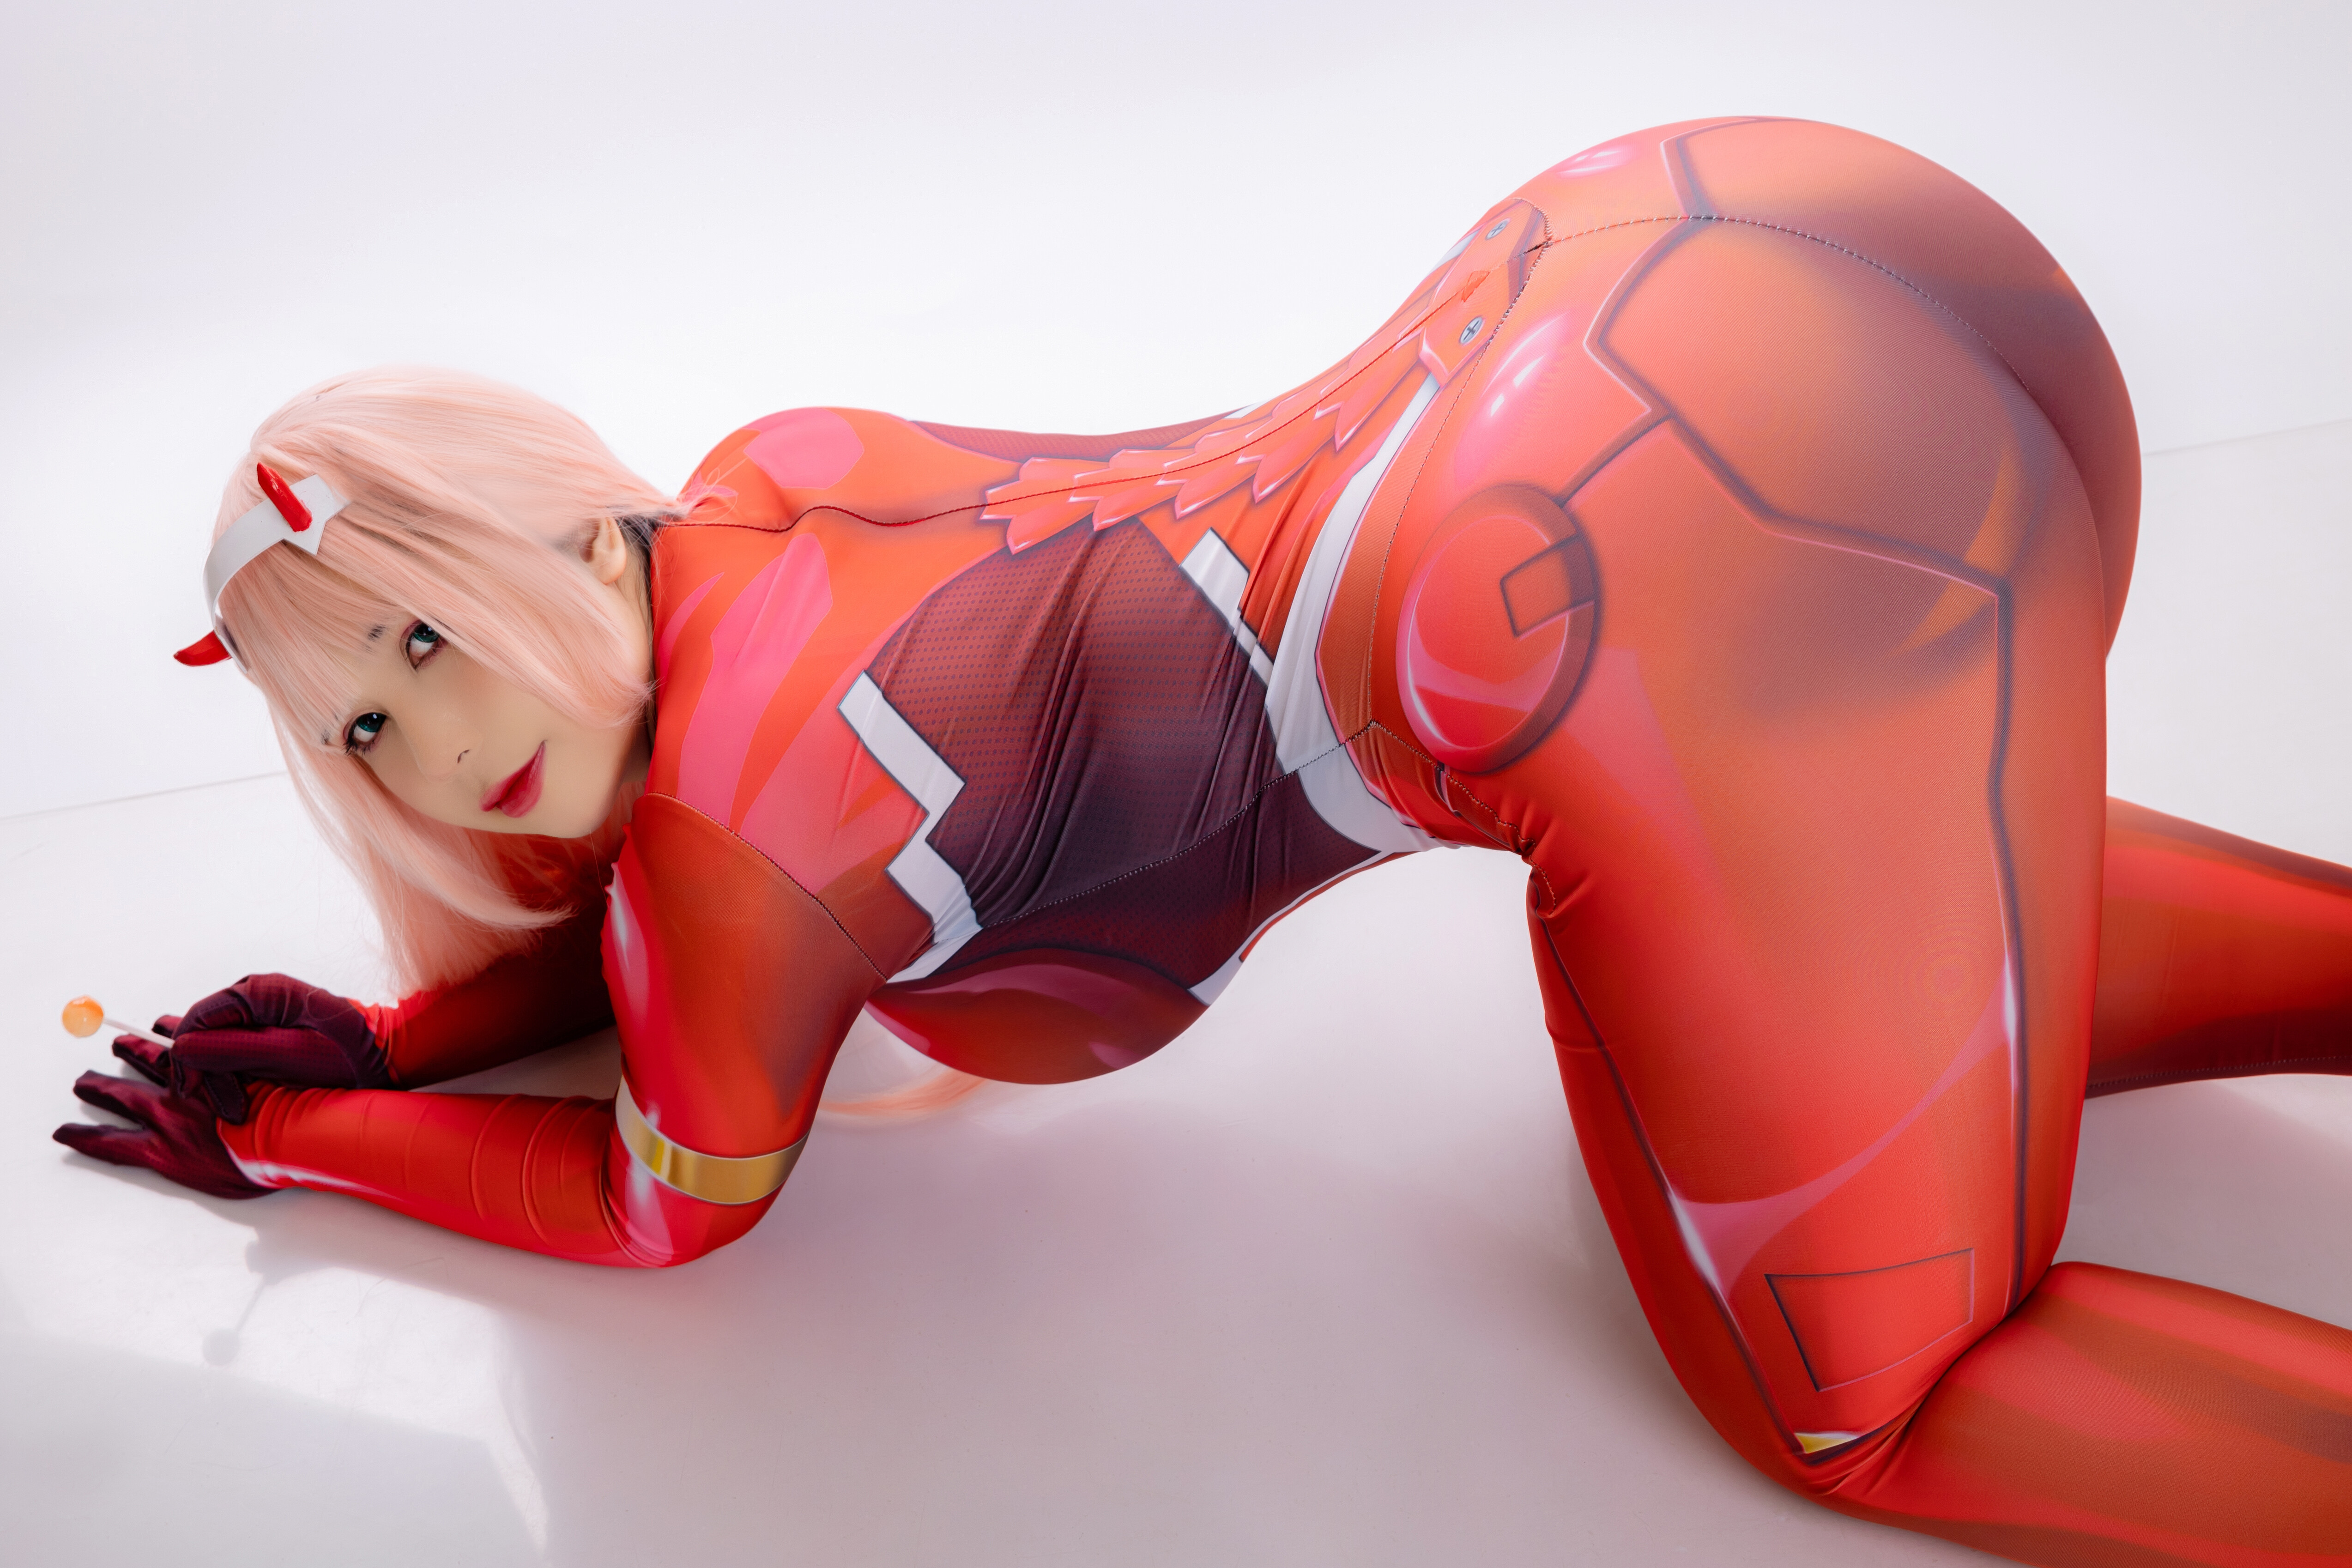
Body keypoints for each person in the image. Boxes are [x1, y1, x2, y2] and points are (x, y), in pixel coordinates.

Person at [54, 117, 2352, 1563]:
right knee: (1939, 898)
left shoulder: (731, 874)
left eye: (435, 638)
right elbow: (709, 870)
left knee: (1873, 1408)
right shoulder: (775, 473)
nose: (440, 746)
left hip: (1609, 595)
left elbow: (663, 1194)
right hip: (1683, 259)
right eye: (365, 721)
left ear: (566, 529)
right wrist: (398, 1038)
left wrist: (301, 1138)